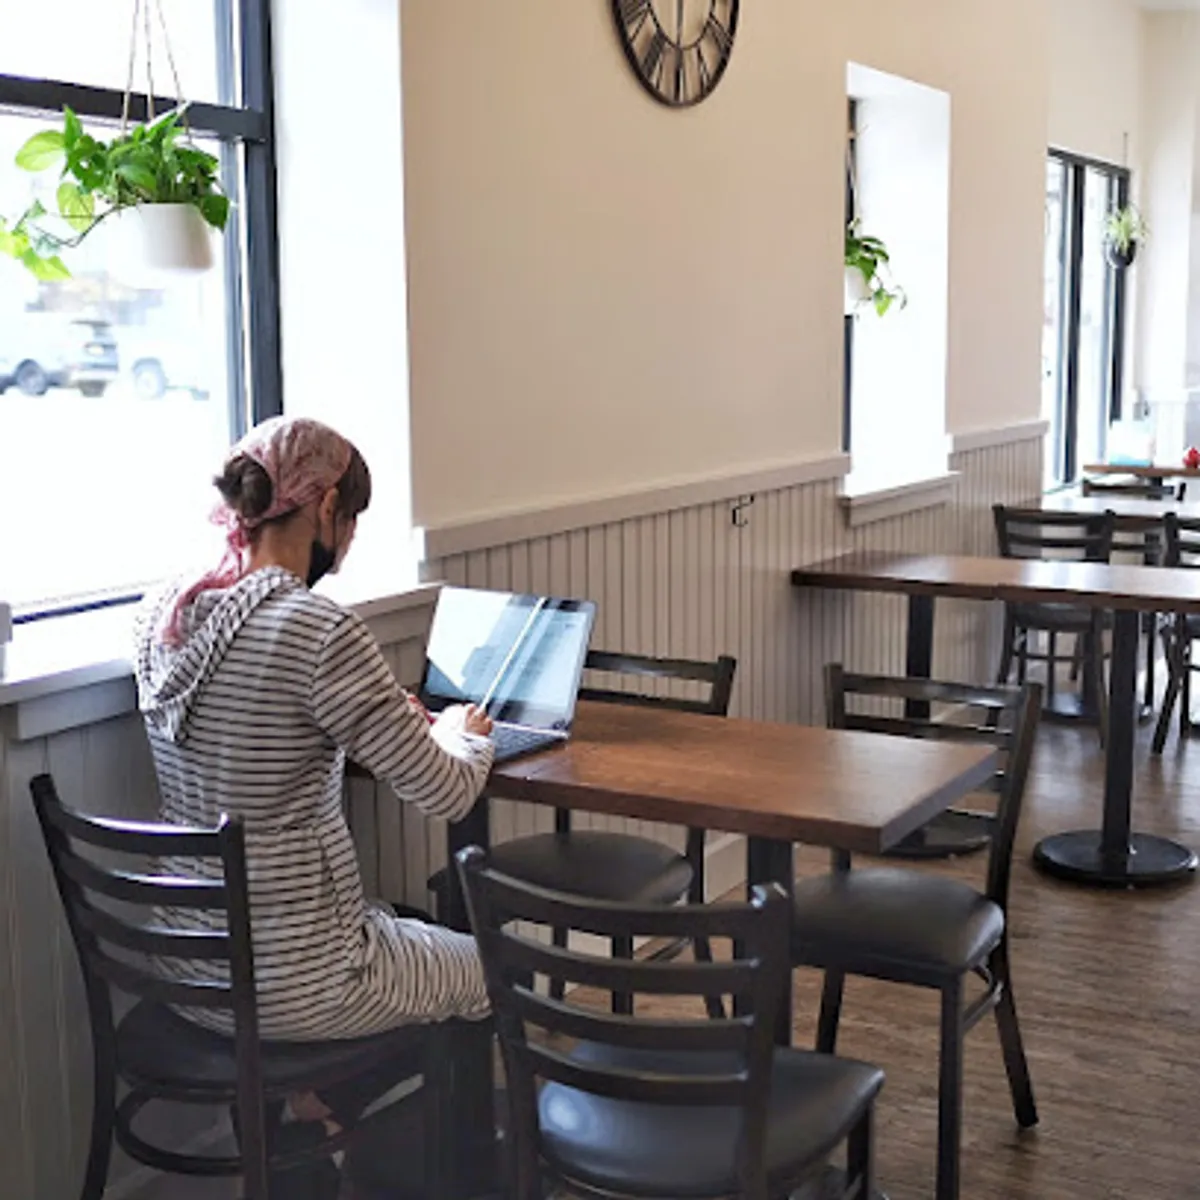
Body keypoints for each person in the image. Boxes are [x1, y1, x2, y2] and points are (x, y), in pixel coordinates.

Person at [133, 416, 494, 1197]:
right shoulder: (316, 628)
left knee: (401, 919)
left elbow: (255, 726)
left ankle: (306, 1128)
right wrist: (464, 734)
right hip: (299, 980)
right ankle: (466, 1175)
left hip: (189, 962)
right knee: (491, 967)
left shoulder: (163, 613)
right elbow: (447, 789)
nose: (352, 541)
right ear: (326, 507)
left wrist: (374, 716)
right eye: (353, 521)